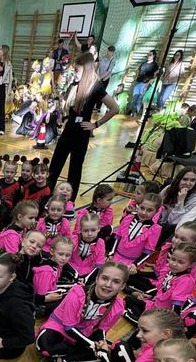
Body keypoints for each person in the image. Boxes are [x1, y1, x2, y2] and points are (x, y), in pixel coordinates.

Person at [47, 52, 119, 199]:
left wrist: (95, 124)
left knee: (75, 168)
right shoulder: (75, 84)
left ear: (86, 70)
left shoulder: (96, 87)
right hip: (69, 128)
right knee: (55, 163)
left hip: (81, 133)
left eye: (78, 71)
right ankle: (45, 194)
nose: (75, 73)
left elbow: (115, 108)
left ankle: (70, 202)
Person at [36, 261, 128, 362]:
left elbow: (101, 329)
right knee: (43, 344)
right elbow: (68, 327)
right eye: (104, 278)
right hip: (60, 326)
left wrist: (101, 343)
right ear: (97, 278)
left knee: (102, 355)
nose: (108, 284)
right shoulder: (77, 293)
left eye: (116, 282)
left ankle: (63, 361)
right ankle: (74, 355)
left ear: (122, 286)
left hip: (84, 332)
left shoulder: (118, 306)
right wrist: (92, 345)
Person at [109, 193, 163, 273]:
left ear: (156, 211)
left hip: (131, 263)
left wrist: (135, 264)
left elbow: (148, 251)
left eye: (149, 210)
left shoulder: (155, 229)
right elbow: (117, 237)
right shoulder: (128, 217)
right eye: (142, 208)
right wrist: (111, 253)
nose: (144, 212)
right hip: (115, 256)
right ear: (138, 205)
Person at [157, 167, 196, 240]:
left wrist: (181, 201)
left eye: (192, 180)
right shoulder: (168, 189)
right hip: (157, 223)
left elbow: (173, 221)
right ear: (179, 179)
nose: (188, 183)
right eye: (185, 179)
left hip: (173, 231)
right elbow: (156, 205)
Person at [67, 212, 107, 283]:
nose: (89, 234)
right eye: (85, 231)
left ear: (99, 229)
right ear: (80, 230)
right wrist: (73, 273)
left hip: (88, 275)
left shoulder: (101, 243)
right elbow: (65, 258)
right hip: (70, 271)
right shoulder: (73, 239)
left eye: (93, 230)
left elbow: (99, 265)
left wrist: (86, 279)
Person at [130, 50, 159, 115]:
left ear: (153, 56)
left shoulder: (155, 65)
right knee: (134, 98)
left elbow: (155, 76)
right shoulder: (143, 63)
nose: (148, 56)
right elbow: (138, 70)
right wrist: (136, 78)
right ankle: (132, 112)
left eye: (150, 54)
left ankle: (136, 113)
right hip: (138, 82)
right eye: (148, 54)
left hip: (145, 83)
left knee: (140, 99)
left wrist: (148, 83)